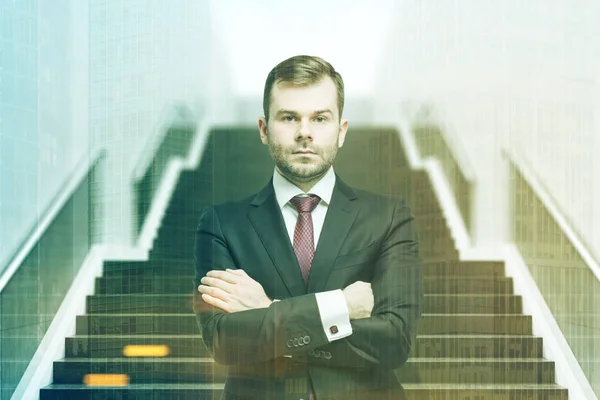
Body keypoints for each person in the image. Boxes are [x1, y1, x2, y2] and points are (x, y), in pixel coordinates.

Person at [194, 55, 422, 400]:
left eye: (320, 118)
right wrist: (339, 308)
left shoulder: (389, 218)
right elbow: (225, 343)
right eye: (289, 117)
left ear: (341, 131)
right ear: (264, 129)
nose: (304, 131)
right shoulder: (222, 224)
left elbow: (393, 341)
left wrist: (269, 310)